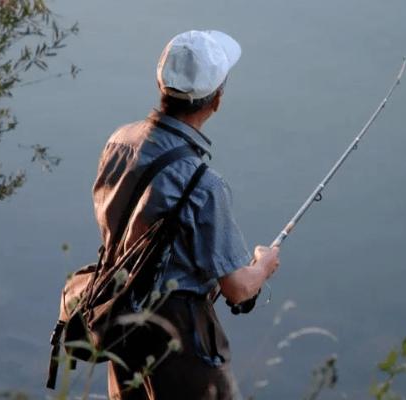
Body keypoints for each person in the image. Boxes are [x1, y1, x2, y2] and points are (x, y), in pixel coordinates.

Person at [92, 30, 280, 400]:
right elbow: (238, 289)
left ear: (161, 85)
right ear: (217, 100)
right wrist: (263, 264)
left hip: (121, 318)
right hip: (179, 335)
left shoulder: (118, 143)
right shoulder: (204, 183)